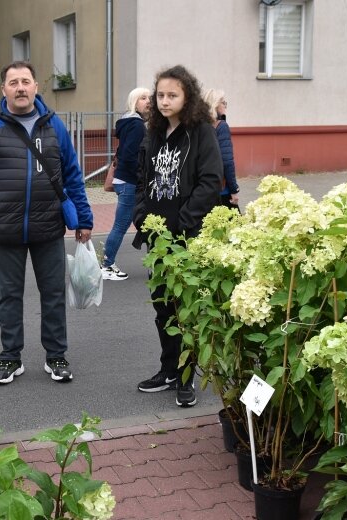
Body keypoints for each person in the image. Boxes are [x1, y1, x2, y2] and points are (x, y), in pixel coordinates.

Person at [0, 60, 93, 385]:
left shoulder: (54, 127)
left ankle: (56, 357)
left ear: (36, 87)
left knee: (52, 294)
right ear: (4, 90)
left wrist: (84, 218)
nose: (20, 88)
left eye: (26, 81)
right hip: (4, 230)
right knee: (9, 296)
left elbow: (73, 175)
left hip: (48, 227)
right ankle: (10, 359)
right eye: (13, 82)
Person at [131, 65, 223, 407]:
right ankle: (168, 370)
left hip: (187, 236)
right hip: (157, 238)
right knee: (162, 307)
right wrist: (141, 214)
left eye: (173, 95)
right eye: (160, 95)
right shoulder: (153, 131)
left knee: (185, 308)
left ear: (188, 98)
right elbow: (142, 176)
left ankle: (187, 377)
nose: (165, 101)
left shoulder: (201, 132)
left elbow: (211, 181)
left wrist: (184, 221)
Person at [100, 87, 151, 281]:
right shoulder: (136, 125)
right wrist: (140, 177)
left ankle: (107, 264)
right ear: (134, 102)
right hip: (130, 181)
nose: (148, 101)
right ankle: (106, 265)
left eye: (149, 98)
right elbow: (130, 155)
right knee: (122, 225)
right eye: (143, 98)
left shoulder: (128, 122)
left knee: (132, 223)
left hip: (124, 180)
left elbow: (123, 153)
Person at [203, 88, 240, 211]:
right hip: (222, 190)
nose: (225, 106)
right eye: (223, 102)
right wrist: (234, 190)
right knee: (234, 228)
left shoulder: (199, 127)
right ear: (215, 104)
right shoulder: (221, 126)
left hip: (203, 189)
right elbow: (227, 161)